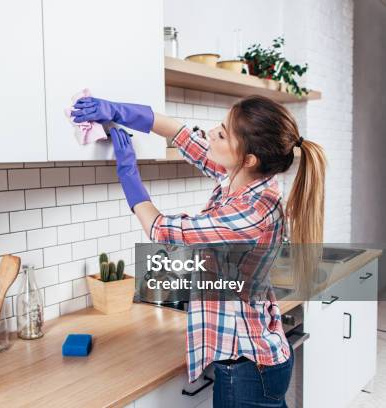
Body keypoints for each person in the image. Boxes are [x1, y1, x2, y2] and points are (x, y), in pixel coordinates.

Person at [71, 95, 327, 408]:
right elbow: (180, 133)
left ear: (249, 158)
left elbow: (162, 229)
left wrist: (128, 172)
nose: (210, 133)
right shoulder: (241, 178)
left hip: (247, 369)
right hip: (255, 358)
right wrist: (116, 110)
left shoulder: (251, 211)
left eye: (222, 133)